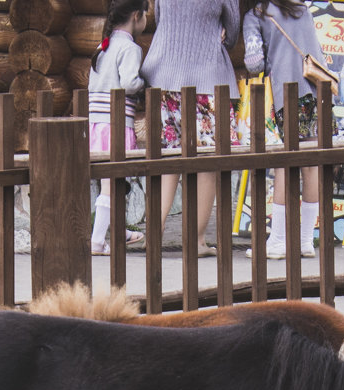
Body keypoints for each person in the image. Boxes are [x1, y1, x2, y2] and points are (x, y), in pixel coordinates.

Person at [141, 0, 241, 256]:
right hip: (206, 79)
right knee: (207, 163)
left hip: (165, 76)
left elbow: (161, 18)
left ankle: (155, 231)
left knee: (167, 159)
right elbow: (232, 31)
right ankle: (195, 241)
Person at [242, 0, 329, 258]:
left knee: (283, 164)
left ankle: (279, 240)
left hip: (286, 96)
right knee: (311, 167)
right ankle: (305, 241)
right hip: (314, 94)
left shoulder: (256, 14)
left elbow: (254, 63)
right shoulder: (301, 8)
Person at [88, 0, 150, 256]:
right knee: (111, 184)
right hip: (116, 124)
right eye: (146, 14)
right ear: (136, 16)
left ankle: (118, 231)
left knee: (113, 181)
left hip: (97, 124)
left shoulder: (103, 46)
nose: (147, 19)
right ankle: (97, 241)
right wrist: (145, 82)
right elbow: (129, 82)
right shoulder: (130, 48)